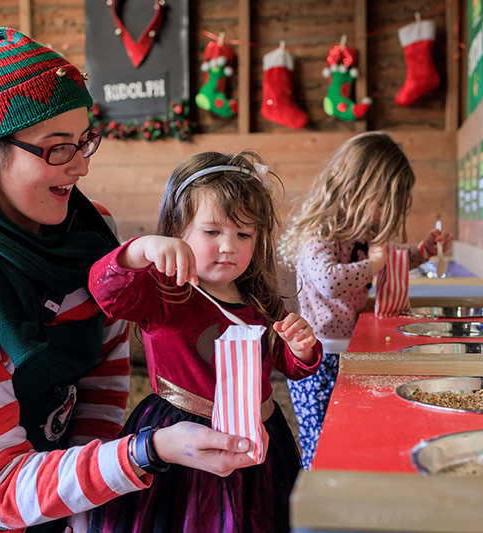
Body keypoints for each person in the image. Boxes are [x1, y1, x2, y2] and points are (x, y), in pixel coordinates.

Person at [0, 27, 257, 533]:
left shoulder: (93, 232)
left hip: (56, 490)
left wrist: (81, 507)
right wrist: (148, 450)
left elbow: (101, 374)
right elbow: (0, 486)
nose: (79, 166)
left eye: (84, 141)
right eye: (57, 148)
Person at [86, 151, 323, 532]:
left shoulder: (258, 299)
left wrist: (301, 347)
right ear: (179, 229)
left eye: (243, 234)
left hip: (259, 438)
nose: (229, 245)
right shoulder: (163, 293)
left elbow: (289, 367)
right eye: (213, 232)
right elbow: (105, 289)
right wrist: (140, 249)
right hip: (181, 443)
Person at [277, 131, 453, 469]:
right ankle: (316, 499)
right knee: (319, 437)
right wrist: (373, 265)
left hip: (349, 350)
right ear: (357, 191)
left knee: (344, 430)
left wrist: (423, 252)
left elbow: (392, 257)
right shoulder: (320, 236)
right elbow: (330, 282)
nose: (387, 214)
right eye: (384, 204)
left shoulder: (361, 236)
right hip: (317, 357)